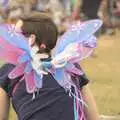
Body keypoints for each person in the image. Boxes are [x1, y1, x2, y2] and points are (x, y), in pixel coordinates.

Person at [0, 12, 99, 120]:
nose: (11, 38)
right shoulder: (70, 67)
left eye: (15, 33)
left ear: (31, 39)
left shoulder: (10, 70)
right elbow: (93, 117)